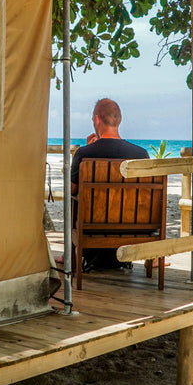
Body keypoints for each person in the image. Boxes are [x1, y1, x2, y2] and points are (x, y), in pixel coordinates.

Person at [70, 98, 148, 270]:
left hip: (92, 227)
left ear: (97, 119)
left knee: (72, 200)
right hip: (134, 227)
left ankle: (68, 255)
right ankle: (155, 258)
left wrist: (88, 148)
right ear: (119, 120)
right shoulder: (141, 154)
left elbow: (72, 189)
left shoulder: (84, 154)